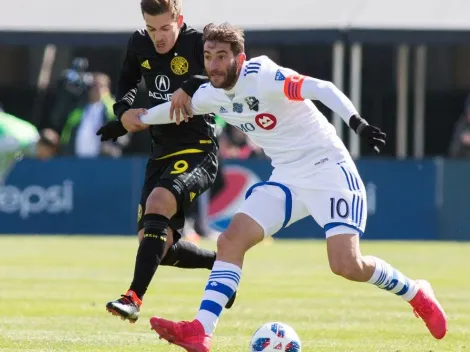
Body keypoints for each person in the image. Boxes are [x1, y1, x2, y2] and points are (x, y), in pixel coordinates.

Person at [137, 23, 448, 351]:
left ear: (239, 59)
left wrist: (356, 121)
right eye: (208, 56)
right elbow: (169, 112)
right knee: (231, 240)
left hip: (328, 169)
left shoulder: (264, 76)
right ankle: (201, 330)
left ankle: (417, 293)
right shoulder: (209, 95)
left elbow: (322, 88)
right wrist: (134, 120)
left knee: (346, 264)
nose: (213, 64)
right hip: (286, 175)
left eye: (221, 56)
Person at [96, 0, 236, 324]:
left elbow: (222, 73)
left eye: (164, 28)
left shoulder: (199, 42)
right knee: (160, 245)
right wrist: (123, 111)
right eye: (151, 28)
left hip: (198, 149)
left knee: (159, 203)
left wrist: (190, 85)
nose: (158, 37)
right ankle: (220, 265)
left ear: (179, 20)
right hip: (159, 152)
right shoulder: (139, 43)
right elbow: (127, 82)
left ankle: (132, 298)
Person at [0, 111, 59, 183]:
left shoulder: (32, 131)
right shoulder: (19, 142)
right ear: (45, 147)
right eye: (50, 153)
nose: (48, 158)